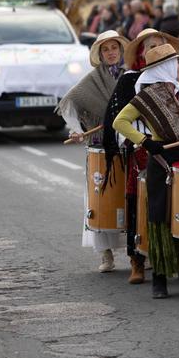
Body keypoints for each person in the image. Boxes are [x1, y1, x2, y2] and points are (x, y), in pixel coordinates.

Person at [113, 43, 179, 299]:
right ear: (165, 67)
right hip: (162, 161)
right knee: (161, 218)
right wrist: (144, 141)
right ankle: (160, 279)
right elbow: (119, 121)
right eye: (177, 63)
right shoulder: (145, 97)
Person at [100, 28, 179, 284]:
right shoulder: (130, 80)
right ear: (141, 53)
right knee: (138, 205)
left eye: (159, 44)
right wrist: (139, 142)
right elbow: (117, 119)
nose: (154, 49)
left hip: (171, 150)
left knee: (172, 205)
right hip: (142, 151)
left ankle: (172, 257)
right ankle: (137, 259)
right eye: (150, 46)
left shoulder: (175, 83)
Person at [56, 30, 129, 273]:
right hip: (99, 147)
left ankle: (137, 251)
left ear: (120, 50)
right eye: (105, 49)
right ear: (99, 54)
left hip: (126, 145)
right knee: (101, 200)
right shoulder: (90, 82)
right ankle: (106, 255)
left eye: (114, 48)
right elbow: (71, 103)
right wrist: (77, 130)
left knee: (129, 199)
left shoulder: (130, 77)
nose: (111, 53)